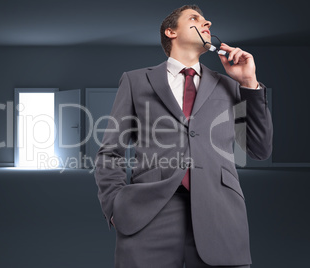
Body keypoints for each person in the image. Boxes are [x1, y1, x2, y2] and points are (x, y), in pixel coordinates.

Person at [94, 4, 273, 268]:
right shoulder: (136, 81)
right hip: (149, 213)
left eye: (206, 19)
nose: (207, 22)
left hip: (220, 213)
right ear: (171, 32)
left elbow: (259, 149)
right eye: (195, 18)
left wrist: (249, 83)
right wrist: (114, 205)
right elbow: (110, 152)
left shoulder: (230, 86)